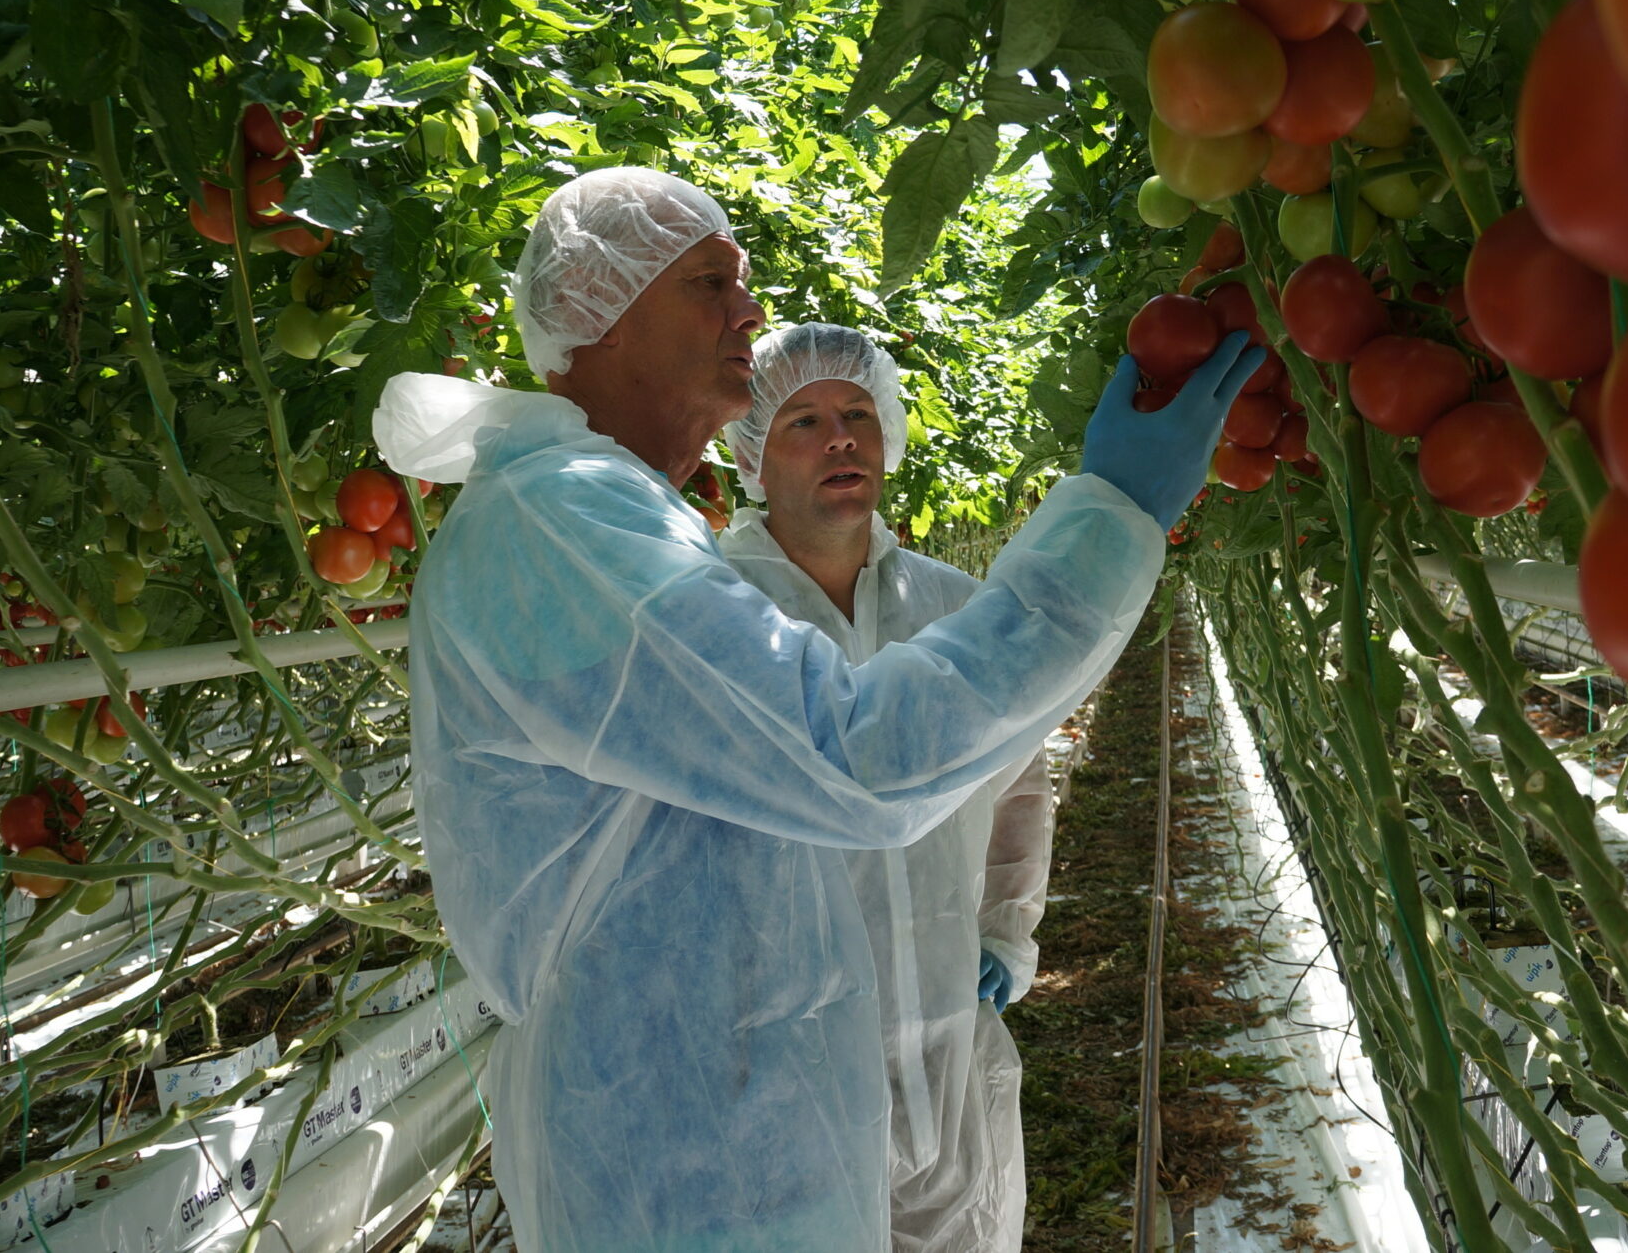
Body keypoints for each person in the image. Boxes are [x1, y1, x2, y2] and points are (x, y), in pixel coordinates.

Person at [371, 167, 1261, 1253]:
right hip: (689, 1162)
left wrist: (994, 933)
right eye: (710, 281)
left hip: (728, 1135)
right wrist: (1110, 516)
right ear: (602, 316)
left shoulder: (606, 523)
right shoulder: (562, 522)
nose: (749, 311)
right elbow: (857, 756)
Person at [717, 323, 1056, 1253]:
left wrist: (1005, 928)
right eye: (806, 419)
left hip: (948, 1029)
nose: (841, 438)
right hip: (781, 1057)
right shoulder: (713, 615)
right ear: (751, 454)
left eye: (859, 413)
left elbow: (1019, 776)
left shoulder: (955, 609)